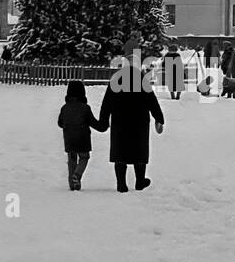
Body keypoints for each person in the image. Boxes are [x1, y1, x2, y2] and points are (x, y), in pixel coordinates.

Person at [98, 42, 165, 191]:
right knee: (139, 152)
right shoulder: (142, 80)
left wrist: (103, 120)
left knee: (120, 152)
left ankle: (121, 183)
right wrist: (159, 117)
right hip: (139, 122)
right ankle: (140, 181)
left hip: (120, 121)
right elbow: (151, 100)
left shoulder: (116, 79)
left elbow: (107, 102)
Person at [57, 79, 107, 191]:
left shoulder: (64, 108)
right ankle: (77, 175)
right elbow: (93, 123)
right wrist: (103, 126)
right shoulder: (85, 108)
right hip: (82, 137)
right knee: (84, 157)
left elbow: (60, 123)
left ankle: (72, 184)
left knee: (72, 159)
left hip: (69, 138)